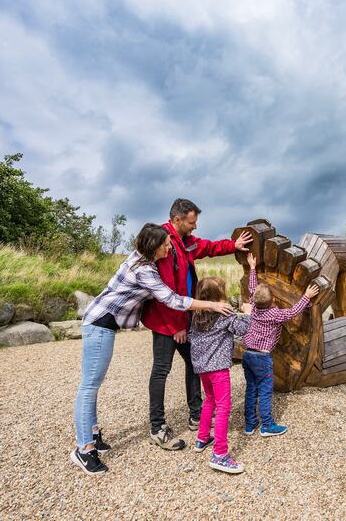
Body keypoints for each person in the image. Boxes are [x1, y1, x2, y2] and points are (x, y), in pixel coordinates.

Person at [71, 223, 234, 476]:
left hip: (102, 322)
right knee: (90, 385)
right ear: (154, 247)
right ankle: (84, 449)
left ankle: (93, 434)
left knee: (93, 382)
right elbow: (172, 299)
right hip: (100, 323)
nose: (170, 248)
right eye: (166, 244)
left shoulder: (140, 260)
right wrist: (212, 305)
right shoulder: (145, 270)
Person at [140, 199, 252, 451]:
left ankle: (196, 415)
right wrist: (176, 326)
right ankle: (157, 427)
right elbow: (165, 293)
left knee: (195, 362)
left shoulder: (185, 241)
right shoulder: (164, 244)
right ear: (177, 220)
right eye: (191, 223)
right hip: (165, 320)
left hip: (184, 317)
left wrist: (233, 245)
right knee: (161, 369)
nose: (195, 227)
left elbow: (208, 247)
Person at [242, 254, 319, 437]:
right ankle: (267, 425)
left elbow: (252, 288)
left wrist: (252, 267)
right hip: (262, 357)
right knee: (265, 391)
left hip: (247, 355)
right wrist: (306, 296)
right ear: (272, 301)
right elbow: (293, 311)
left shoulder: (253, 307)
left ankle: (250, 424)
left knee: (251, 388)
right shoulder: (274, 314)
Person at [189, 273, 251, 474]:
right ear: (219, 296)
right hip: (218, 369)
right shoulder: (225, 313)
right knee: (224, 406)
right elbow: (242, 329)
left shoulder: (197, 314)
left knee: (210, 400)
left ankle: (202, 437)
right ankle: (220, 454)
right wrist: (248, 313)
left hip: (202, 369)